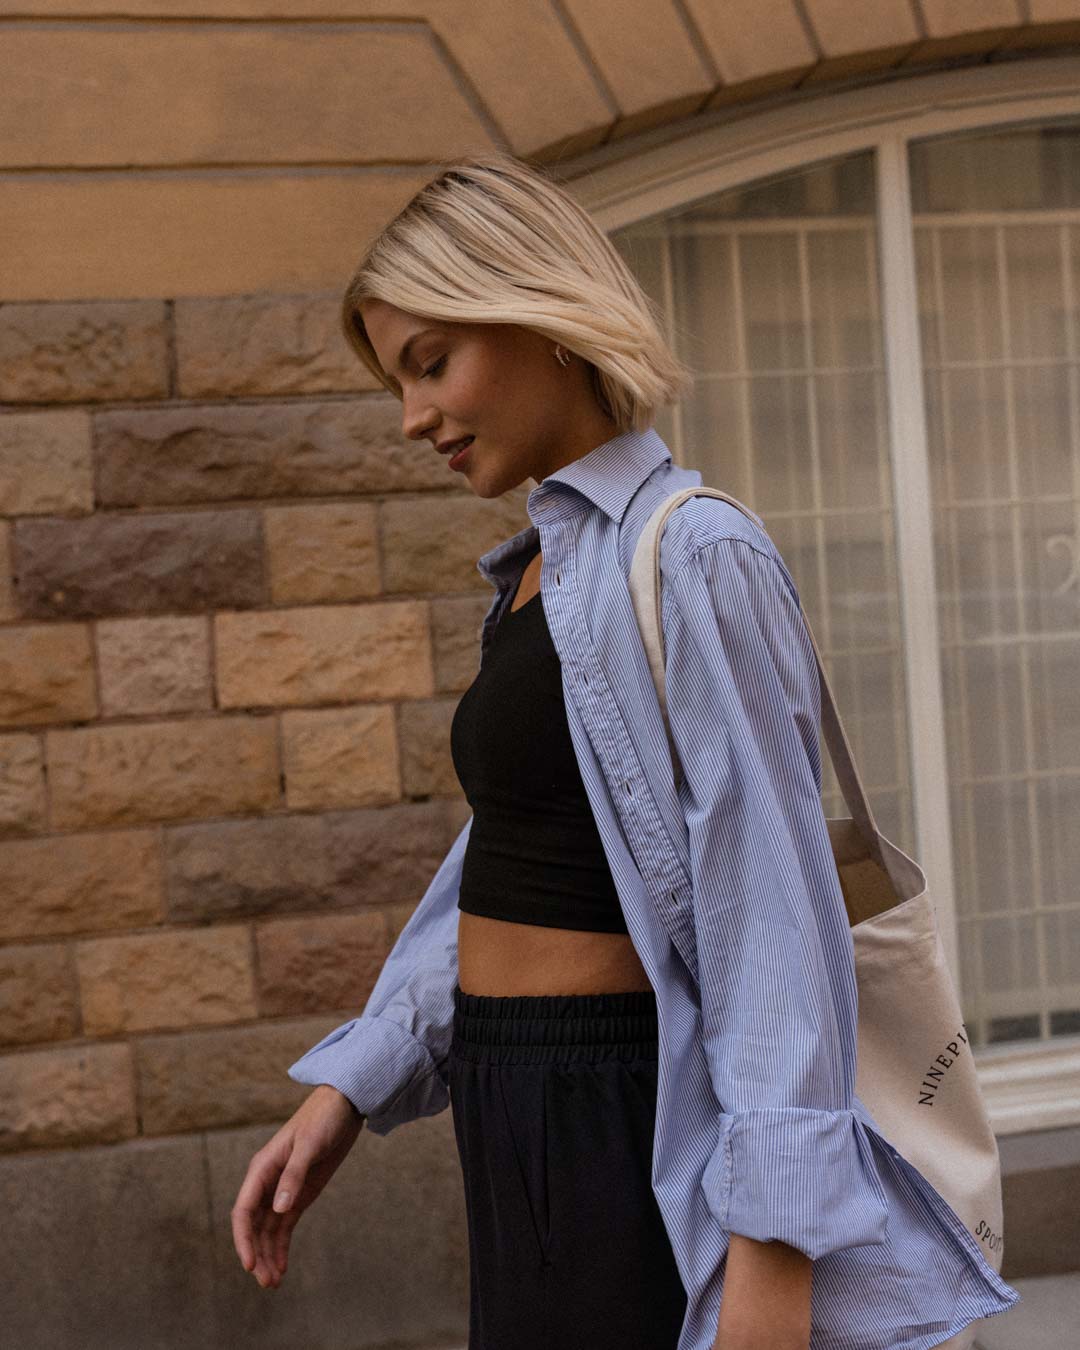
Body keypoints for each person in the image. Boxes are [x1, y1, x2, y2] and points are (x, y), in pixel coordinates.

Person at [231, 152, 1021, 1349]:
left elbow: (770, 911)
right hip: (516, 1105)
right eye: (400, 381)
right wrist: (355, 1085)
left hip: (626, 1112)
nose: (413, 419)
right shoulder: (541, 573)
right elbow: (509, 858)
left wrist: (773, 1253)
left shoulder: (694, 553)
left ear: (541, 317)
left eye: (431, 364)